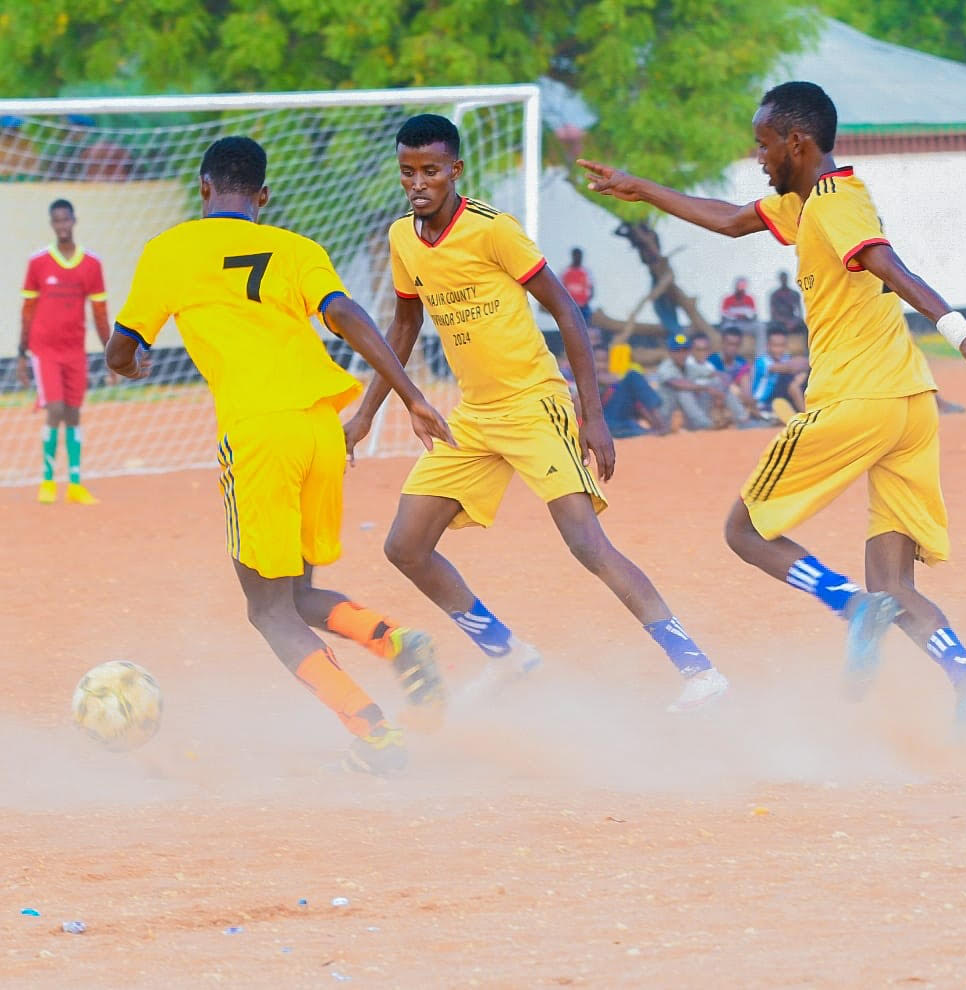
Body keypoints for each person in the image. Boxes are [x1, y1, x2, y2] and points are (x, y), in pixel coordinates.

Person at [578, 81, 966, 733]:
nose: (758, 155)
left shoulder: (836, 204)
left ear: (796, 141)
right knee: (894, 582)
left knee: (744, 531)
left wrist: (959, 329)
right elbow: (729, 220)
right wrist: (640, 188)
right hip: (909, 406)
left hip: (856, 401)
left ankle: (847, 604)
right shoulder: (806, 202)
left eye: (763, 143)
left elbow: (887, 264)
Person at [344, 113, 728, 713]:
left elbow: (567, 312)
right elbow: (404, 324)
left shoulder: (493, 230)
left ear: (455, 171)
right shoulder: (401, 239)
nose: (419, 183)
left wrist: (592, 413)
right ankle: (506, 652)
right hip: (472, 417)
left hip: (534, 405)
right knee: (405, 546)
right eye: (408, 172)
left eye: (431, 171)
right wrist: (368, 412)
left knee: (587, 545)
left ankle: (698, 669)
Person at [106, 136, 455, 775]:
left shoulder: (170, 251)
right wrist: (410, 396)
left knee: (266, 610)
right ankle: (396, 642)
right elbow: (345, 313)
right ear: (263, 198)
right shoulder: (298, 249)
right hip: (322, 428)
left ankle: (373, 733)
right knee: (296, 595)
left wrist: (130, 366)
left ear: (204, 189)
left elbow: (121, 350)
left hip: (260, 435)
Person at [18, 199, 114, 505]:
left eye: (65, 220)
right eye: (56, 221)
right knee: (55, 409)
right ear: (52, 224)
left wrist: (111, 354)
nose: (61, 226)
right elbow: (28, 310)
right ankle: (47, 481)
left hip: (75, 350)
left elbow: (100, 313)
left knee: (73, 413)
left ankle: (75, 483)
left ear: (74, 220)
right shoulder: (38, 262)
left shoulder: (91, 264)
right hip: (44, 348)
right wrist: (21, 352)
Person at [654, 332, 729, 431]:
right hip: (664, 417)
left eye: (684, 350)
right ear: (670, 352)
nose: (681, 354)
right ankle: (705, 424)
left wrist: (722, 388)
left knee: (714, 382)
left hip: (686, 417)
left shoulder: (689, 367)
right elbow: (679, 385)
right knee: (684, 392)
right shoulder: (665, 367)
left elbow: (718, 375)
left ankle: (740, 418)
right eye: (677, 350)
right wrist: (706, 388)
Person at [751, 327, 809, 418]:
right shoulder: (762, 362)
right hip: (764, 401)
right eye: (775, 346)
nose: (778, 350)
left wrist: (800, 376)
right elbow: (786, 367)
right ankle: (806, 415)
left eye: (782, 346)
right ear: (768, 346)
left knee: (803, 376)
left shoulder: (786, 358)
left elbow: (803, 364)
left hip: (782, 396)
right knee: (789, 379)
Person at [559, 247, 595, 324]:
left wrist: (584, 302)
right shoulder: (565, 272)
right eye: (576, 255)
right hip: (569, 308)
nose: (578, 258)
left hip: (584, 308)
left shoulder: (586, 272)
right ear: (573, 256)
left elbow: (592, 290)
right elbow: (559, 290)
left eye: (580, 256)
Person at [768, 270, 805, 335]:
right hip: (779, 321)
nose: (784, 280)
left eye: (785, 278)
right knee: (770, 327)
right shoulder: (775, 295)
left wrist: (794, 322)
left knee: (805, 327)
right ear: (779, 279)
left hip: (792, 319)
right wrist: (785, 322)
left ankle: (808, 345)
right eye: (782, 278)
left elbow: (800, 312)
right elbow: (773, 313)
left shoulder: (794, 294)